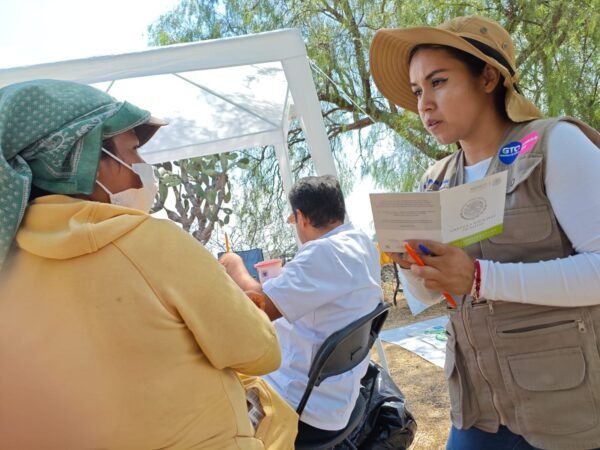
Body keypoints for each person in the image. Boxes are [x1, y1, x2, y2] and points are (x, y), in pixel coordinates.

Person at [0, 79, 297, 449]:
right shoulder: (153, 243)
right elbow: (262, 353)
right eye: (133, 151)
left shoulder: (8, 277)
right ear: (83, 160)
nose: (142, 167)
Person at [369, 15, 600, 450]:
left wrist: (479, 277)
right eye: (417, 91)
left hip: (566, 404)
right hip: (478, 407)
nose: (424, 105)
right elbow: (429, 298)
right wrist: (413, 267)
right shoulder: (435, 181)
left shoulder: (555, 144)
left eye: (438, 82)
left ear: (488, 78)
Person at [220, 175, 383, 439]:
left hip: (303, 405)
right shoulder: (361, 243)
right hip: (339, 396)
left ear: (301, 217)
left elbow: (258, 308)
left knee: (215, 407)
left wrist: (234, 266)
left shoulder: (323, 252)